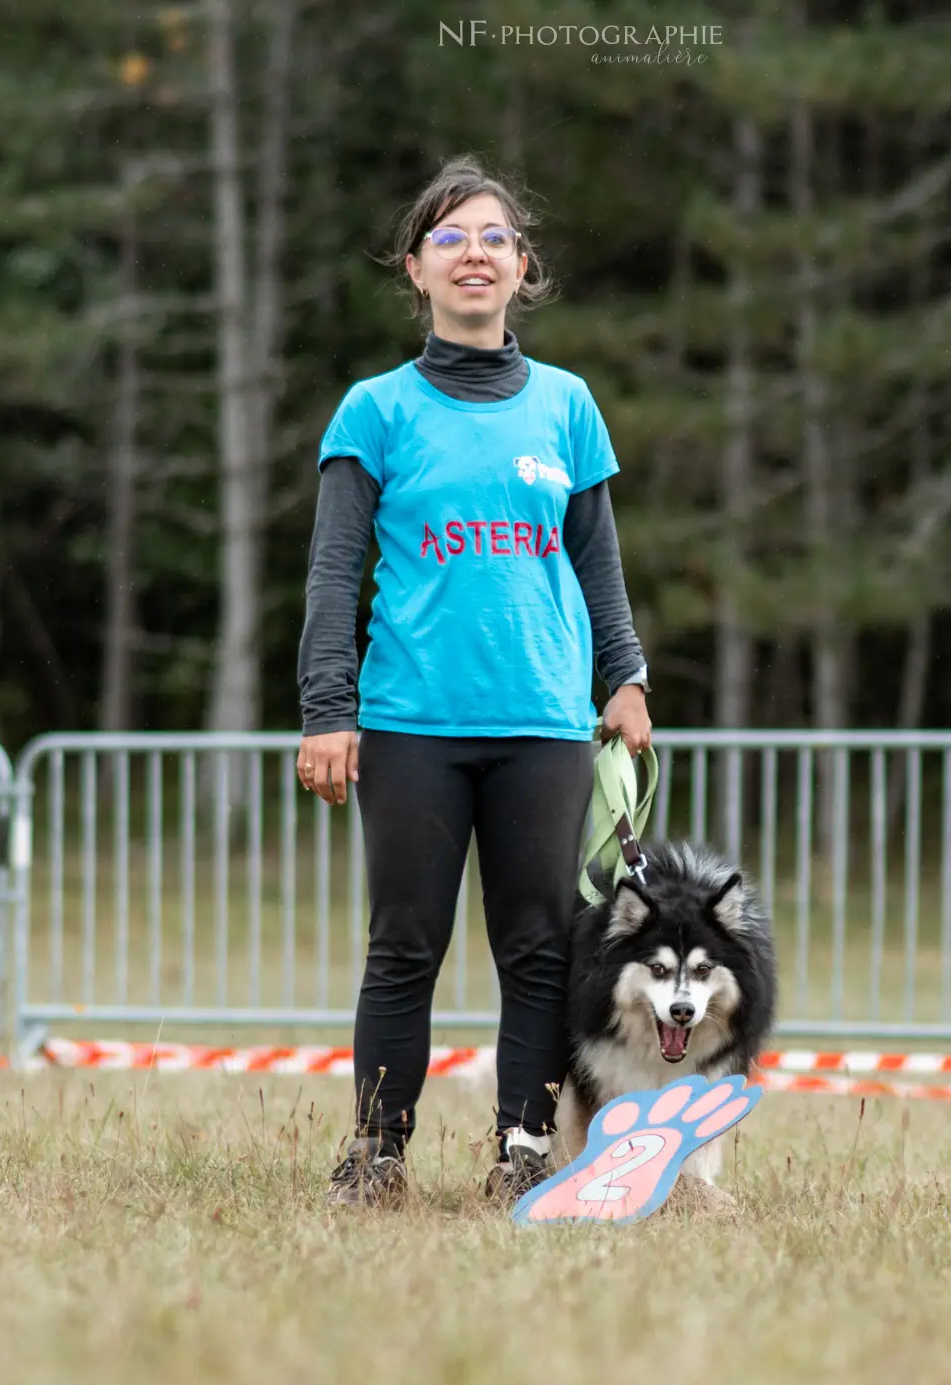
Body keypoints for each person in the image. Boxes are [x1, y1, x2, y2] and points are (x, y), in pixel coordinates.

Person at [296, 156, 653, 1208]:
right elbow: (330, 574)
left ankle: (524, 1149)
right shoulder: (374, 411)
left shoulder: (567, 405)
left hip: (542, 719)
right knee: (404, 943)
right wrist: (328, 711)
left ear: (520, 267)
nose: (473, 254)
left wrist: (623, 677)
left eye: (492, 237)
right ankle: (377, 1154)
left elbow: (596, 560)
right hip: (410, 723)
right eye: (449, 238)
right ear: (415, 268)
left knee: (540, 947)